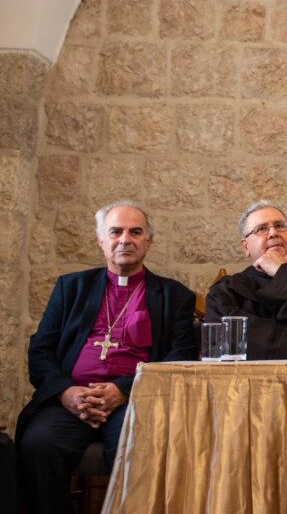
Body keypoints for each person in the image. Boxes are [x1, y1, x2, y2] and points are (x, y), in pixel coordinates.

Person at [16, 200, 196, 514]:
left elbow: (178, 358)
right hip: (72, 399)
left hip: (135, 401)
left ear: (148, 241)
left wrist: (123, 390)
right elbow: (41, 349)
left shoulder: (174, 296)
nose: (125, 239)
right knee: (38, 445)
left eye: (135, 232)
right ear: (101, 240)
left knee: (138, 446)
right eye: (116, 232)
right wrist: (66, 393)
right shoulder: (71, 287)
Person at [206, 200, 287, 359]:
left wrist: (281, 271)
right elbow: (226, 337)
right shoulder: (226, 291)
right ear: (245, 247)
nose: (273, 233)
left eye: (279, 225)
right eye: (262, 229)